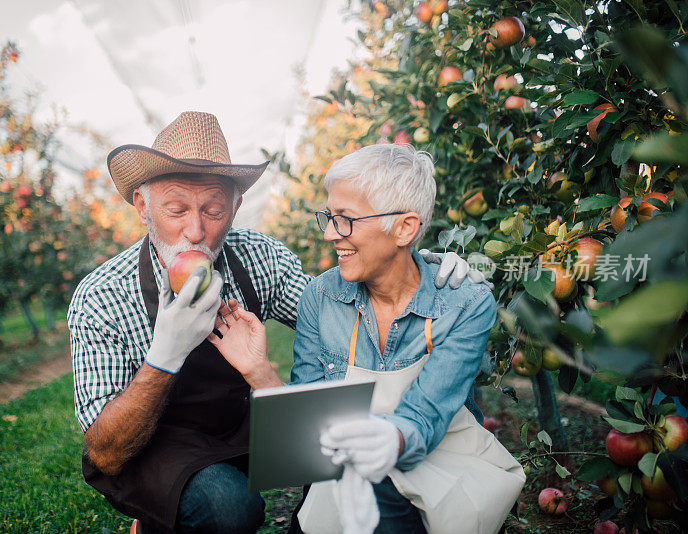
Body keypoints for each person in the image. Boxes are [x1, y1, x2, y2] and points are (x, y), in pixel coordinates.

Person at [68, 111, 490, 534]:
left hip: (237, 423)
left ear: (235, 207)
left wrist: (418, 263)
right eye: (176, 209)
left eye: (214, 210)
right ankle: (163, 514)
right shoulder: (103, 296)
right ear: (143, 206)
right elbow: (106, 453)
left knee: (318, 449)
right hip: (154, 442)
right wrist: (165, 355)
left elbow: (337, 307)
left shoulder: (257, 258)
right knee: (228, 507)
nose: (195, 231)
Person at [209, 143, 499, 533]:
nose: (330, 233)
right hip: (351, 470)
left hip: (440, 465)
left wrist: (389, 438)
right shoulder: (322, 298)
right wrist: (259, 370)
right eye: (328, 217)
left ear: (405, 228)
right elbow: (311, 436)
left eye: (344, 219)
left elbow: (425, 416)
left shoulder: (466, 303)